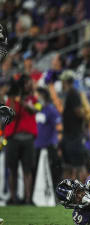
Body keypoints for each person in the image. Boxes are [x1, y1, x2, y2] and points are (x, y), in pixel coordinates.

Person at [4, 74, 38, 205]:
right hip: (13, 138)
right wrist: (13, 96)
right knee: (12, 169)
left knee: (27, 170)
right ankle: (13, 198)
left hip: (28, 139)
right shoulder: (11, 99)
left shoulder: (32, 98)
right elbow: (11, 112)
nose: (26, 86)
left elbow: (34, 109)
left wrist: (23, 101)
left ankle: (28, 199)